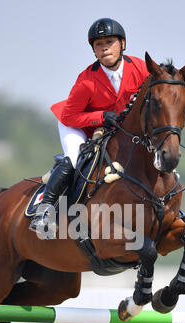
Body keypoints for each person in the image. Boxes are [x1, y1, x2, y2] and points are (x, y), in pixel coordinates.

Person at [29, 18, 149, 232]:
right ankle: (44, 210)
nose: (104, 48)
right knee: (74, 160)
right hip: (77, 125)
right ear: (94, 51)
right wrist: (102, 117)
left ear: (123, 44)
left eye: (109, 42)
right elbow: (69, 116)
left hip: (115, 130)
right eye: (98, 45)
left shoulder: (140, 68)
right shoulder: (86, 80)